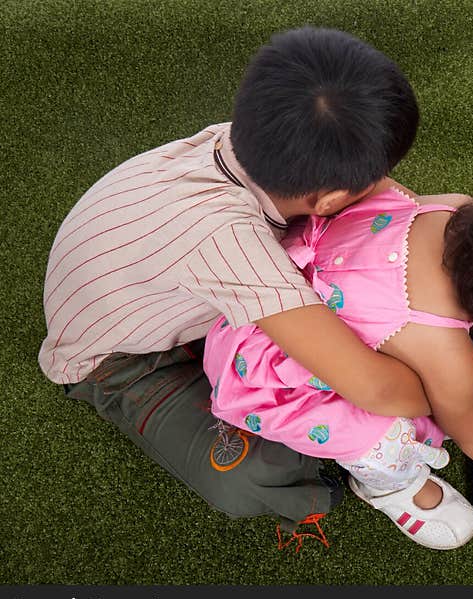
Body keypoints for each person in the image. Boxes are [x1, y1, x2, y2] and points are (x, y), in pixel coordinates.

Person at [37, 26, 434, 531]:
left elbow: (403, 214)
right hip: (120, 359)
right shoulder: (229, 240)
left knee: (376, 285)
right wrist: (459, 391)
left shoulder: (267, 140)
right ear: (331, 199)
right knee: (253, 476)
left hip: (159, 287)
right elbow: (377, 390)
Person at [203, 184, 473, 549]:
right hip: (267, 373)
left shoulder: (451, 212)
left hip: (272, 305)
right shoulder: (450, 361)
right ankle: (389, 485)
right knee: (392, 436)